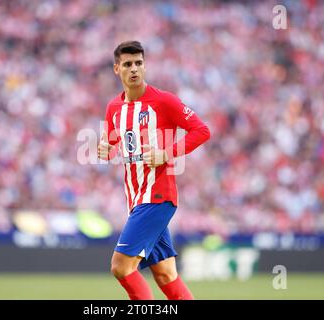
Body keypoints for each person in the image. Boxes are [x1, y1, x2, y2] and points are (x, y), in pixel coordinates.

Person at [97, 41, 211, 300]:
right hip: (136, 201)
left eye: (138, 63)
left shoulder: (164, 101)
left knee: (121, 267)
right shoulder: (114, 108)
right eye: (127, 64)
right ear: (117, 69)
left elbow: (202, 131)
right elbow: (113, 143)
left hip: (157, 197)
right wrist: (105, 149)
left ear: (145, 65)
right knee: (165, 274)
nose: (134, 69)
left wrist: (167, 153)